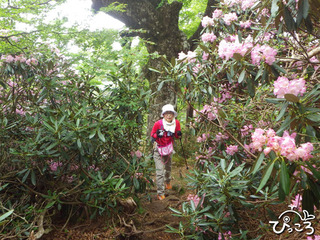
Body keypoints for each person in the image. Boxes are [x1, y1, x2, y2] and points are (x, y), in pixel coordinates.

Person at [150, 104, 182, 200]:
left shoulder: (176, 123)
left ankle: (167, 182)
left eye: (171, 113)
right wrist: (157, 135)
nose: (169, 115)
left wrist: (179, 134)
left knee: (168, 168)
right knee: (160, 172)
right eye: (167, 113)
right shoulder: (158, 124)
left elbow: (177, 136)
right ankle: (160, 193)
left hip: (168, 148)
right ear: (163, 115)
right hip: (158, 149)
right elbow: (152, 136)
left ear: (173, 115)